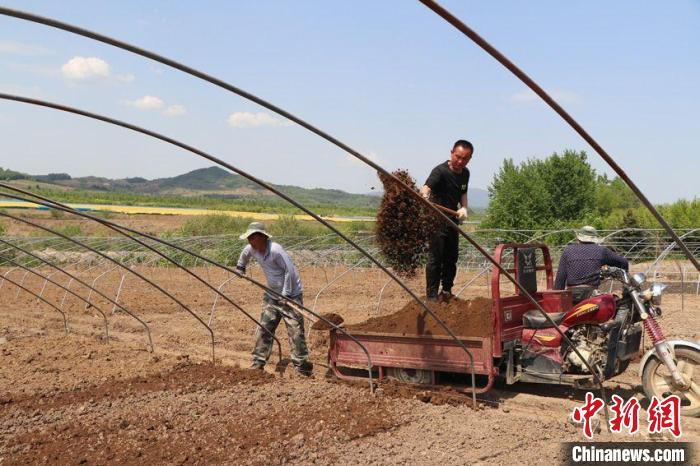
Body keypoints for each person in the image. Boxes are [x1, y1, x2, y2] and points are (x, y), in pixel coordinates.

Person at [236, 221, 312, 376]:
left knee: (295, 331)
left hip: (291, 295)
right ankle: (258, 362)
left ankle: (302, 368)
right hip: (271, 295)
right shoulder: (252, 248)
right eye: (249, 238)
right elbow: (244, 255)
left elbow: (289, 272)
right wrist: (240, 267)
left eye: (252, 238)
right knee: (264, 327)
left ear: (262, 237)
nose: (249, 241)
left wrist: (286, 294)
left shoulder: (276, 251)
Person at [420, 140, 472, 301]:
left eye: (465, 159)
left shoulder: (465, 173)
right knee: (436, 257)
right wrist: (425, 195)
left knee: (451, 257)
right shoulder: (440, 171)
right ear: (451, 153)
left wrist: (463, 208)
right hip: (436, 220)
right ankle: (432, 296)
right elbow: (426, 187)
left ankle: (447, 291)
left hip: (452, 220)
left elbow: (463, 193)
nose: (460, 162)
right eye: (458, 157)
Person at [554, 225, 629, 303]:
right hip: (591, 295)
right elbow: (623, 262)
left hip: (571, 294)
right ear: (595, 239)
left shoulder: (568, 250)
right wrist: (625, 287)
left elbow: (560, 277)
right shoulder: (601, 250)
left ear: (579, 238)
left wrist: (556, 298)